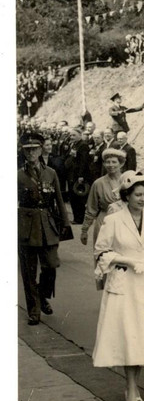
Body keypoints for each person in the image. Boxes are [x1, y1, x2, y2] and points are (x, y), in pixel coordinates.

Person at [92, 171, 144, 401]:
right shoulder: (113, 220)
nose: (142, 199)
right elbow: (101, 252)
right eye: (137, 194)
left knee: (142, 338)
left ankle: (133, 385)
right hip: (124, 284)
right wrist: (125, 260)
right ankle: (132, 387)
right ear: (126, 196)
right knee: (128, 336)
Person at [18, 131, 72, 325]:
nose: (31, 153)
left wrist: (65, 223)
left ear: (41, 150)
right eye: (28, 150)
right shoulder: (18, 175)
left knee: (51, 265)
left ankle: (42, 296)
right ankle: (34, 310)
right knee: (29, 271)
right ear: (23, 152)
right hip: (25, 226)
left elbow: (58, 198)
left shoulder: (51, 173)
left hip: (48, 225)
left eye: (35, 149)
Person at [81, 147, 127, 247]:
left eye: (114, 162)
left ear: (121, 164)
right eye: (107, 162)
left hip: (125, 222)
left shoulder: (129, 181)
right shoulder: (98, 183)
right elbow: (91, 209)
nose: (110, 165)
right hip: (104, 222)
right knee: (103, 255)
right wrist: (84, 230)